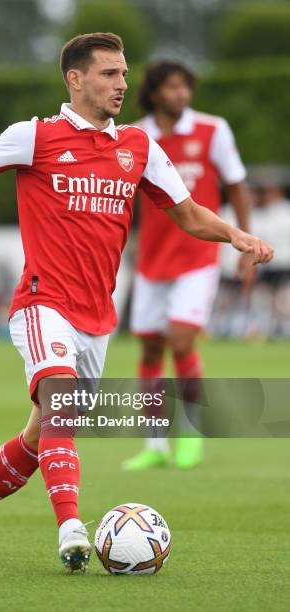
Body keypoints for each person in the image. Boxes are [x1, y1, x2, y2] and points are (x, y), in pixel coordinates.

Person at [0, 34, 273, 573]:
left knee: (38, 436)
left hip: (97, 318)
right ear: (75, 79)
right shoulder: (35, 136)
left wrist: (236, 236)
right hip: (43, 302)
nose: (122, 84)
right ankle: (71, 526)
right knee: (62, 403)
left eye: (123, 74)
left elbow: (186, 213)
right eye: (110, 74)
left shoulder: (138, 146)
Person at [122, 61, 255, 472]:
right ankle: (155, 444)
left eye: (186, 87)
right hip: (151, 261)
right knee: (149, 346)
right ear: (155, 92)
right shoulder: (136, 136)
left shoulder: (213, 130)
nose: (181, 94)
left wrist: (245, 245)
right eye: (173, 87)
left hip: (198, 257)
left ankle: (191, 434)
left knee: (181, 341)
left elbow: (236, 186)